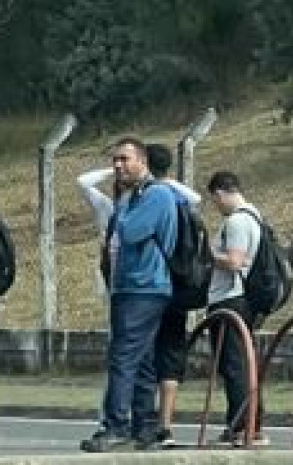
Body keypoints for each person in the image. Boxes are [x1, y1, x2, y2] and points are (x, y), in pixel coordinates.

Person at [77, 143, 202, 448]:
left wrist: (120, 209)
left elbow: (131, 232)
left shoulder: (155, 195)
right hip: (131, 286)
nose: (118, 166)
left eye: (125, 159)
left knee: (123, 356)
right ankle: (144, 425)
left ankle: (116, 424)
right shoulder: (138, 196)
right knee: (144, 359)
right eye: (115, 160)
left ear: (143, 161)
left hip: (144, 286)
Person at [204, 170, 269, 446]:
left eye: (215, 200)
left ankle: (244, 424)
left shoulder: (238, 222)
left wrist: (206, 255)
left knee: (234, 365)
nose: (216, 206)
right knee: (242, 363)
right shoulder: (255, 216)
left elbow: (234, 262)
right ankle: (245, 421)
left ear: (220, 193)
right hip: (241, 298)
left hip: (231, 297)